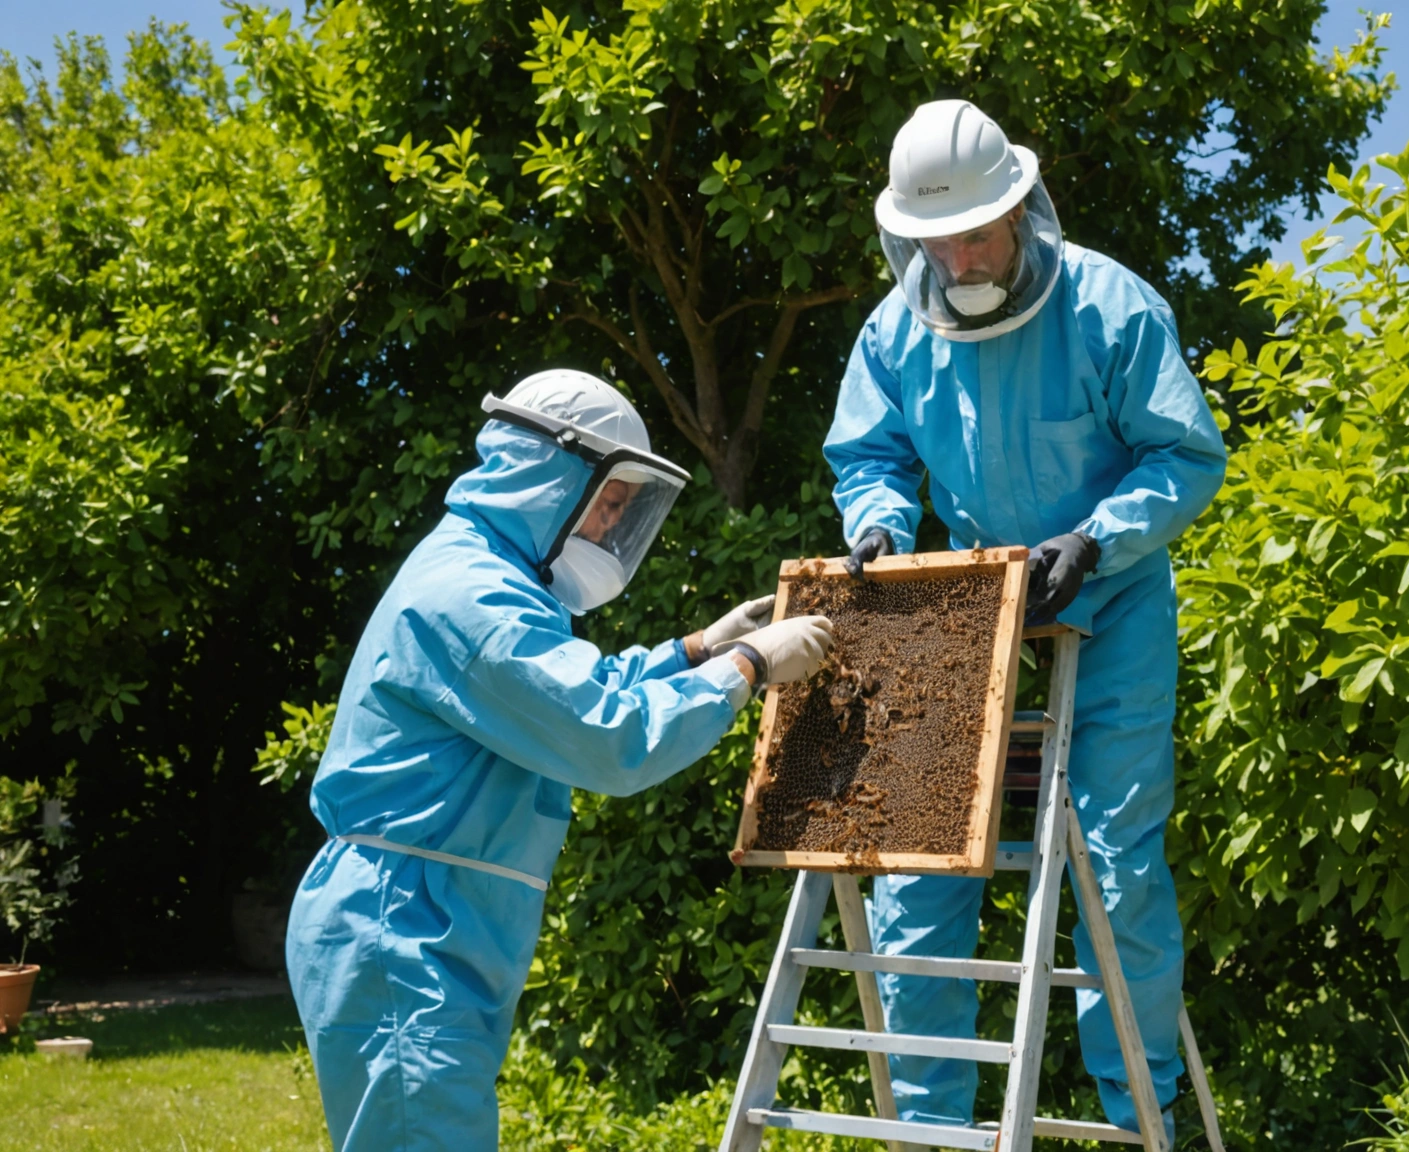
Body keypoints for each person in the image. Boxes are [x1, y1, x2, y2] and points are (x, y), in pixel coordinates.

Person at [286, 369, 835, 1152]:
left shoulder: (496, 578)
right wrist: (746, 664)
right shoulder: (469, 596)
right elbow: (608, 736)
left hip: (429, 922)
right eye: (609, 502)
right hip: (403, 925)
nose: (612, 527)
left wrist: (697, 650)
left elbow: (579, 689)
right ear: (550, 474)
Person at [824, 100, 1228, 1141]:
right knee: (918, 879)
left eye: (975, 230)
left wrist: (1095, 537)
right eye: (934, 239)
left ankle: (1145, 1119)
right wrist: (875, 528)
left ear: (1021, 209)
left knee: (1117, 870)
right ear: (904, 237)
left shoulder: (1110, 306)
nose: (958, 255)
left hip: (1113, 608)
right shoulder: (890, 332)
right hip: (961, 610)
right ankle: (933, 1132)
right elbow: (867, 457)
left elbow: (1186, 455)